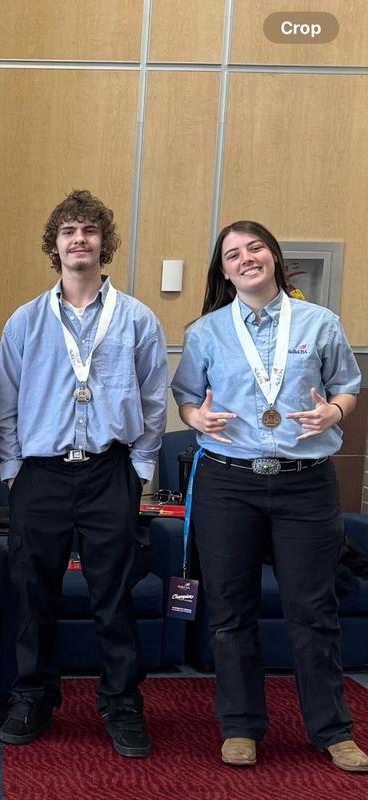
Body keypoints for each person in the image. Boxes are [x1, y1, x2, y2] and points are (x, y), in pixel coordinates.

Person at [171, 220, 368, 773]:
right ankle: (240, 727)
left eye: (255, 247)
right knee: (230, 613)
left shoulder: (320, 322)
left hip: (304, 482)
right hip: (228, 483)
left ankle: (332, 730)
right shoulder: (207, 331)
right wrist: (195, 417)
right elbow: (185, 397)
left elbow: (347, 386)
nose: (245, 258)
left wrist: (335, 411)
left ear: (275, 258)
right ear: (224, 269)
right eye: (232, 254)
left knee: (314, 611)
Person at [0, 189, 168, 758]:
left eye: (89, 231)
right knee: (32, 590)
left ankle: (121, 703)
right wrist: (13, 470)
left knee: (113, 594)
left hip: (108, 472)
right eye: (68, 231)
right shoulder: (24, 321)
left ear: (104, 244)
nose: (79, 240)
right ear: (55, 246)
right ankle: (33, 697)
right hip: (40, 475)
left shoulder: (138, 318)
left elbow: (152, 399)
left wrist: (141, 467)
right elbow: (8, 403)